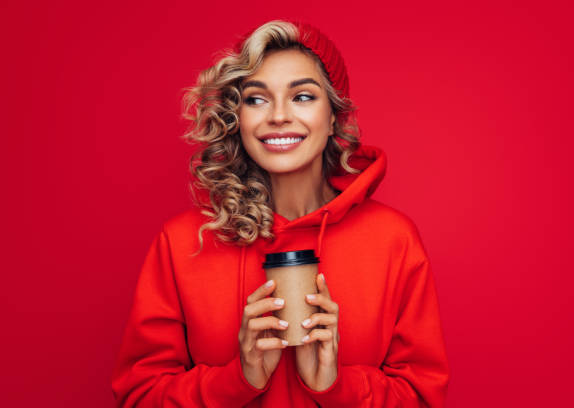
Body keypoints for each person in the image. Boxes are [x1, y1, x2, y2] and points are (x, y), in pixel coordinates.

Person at [111, 19, 450, 407]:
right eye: (256, 99)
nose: (277, 116)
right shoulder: (185, 242)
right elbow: (138, 398)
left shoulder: (393, 240)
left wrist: (336, 388)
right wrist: (237, 379)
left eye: (302, 96)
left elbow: (423, 398)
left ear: (334, 117)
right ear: (237, 121)